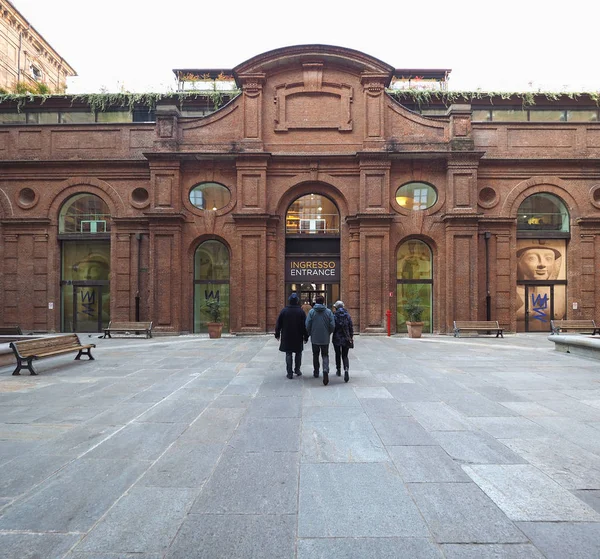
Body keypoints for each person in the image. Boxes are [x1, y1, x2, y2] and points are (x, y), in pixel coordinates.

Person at [275, 292, 308, 379]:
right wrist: (306, 336)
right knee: (298, 353)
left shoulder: (284, 311)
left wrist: (277, 334)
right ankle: (297, 369)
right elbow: (305, 325)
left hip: (287, 336)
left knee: (288, 353)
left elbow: (278, 324)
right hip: (298, 336)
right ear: (297, 301)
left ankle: (289, 373)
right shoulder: (301, 312)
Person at [305, 295, 335, 385]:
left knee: (315, 355)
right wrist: (328, 333)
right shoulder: (328, 312)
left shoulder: (311, 312)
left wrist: (310, 333)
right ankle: (325, 369)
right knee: (325, 355)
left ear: (316, 302)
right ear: (323, 302)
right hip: (325, 338)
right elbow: (332, 325)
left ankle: (316, 371)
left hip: (314, 338)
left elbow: (307, 325)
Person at [332, 300, 354, 383]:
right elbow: (351, 327)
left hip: (337, 338)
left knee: (337, 354)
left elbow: (332, 326)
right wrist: (351, 337)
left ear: (336, 307)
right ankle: (346, 370)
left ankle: (338, 370)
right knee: (345, 355)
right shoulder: (347, 315)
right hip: (346, 338)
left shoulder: (335, 316)